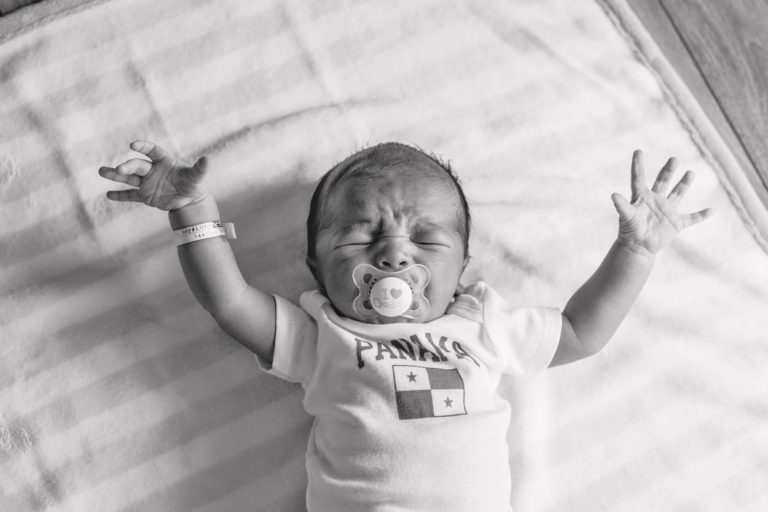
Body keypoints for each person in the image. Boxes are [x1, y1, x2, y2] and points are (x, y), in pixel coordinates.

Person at [99, 140, 711, 511]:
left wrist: (635, 252)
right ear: (314, 266)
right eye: (362, 235)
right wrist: (192, 210)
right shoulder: (324, 334)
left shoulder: (483, 324)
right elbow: (230, 303)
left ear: (463, 268)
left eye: (424, 239)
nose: (394, 256)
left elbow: (581, 332)